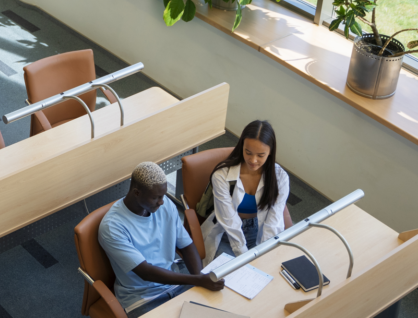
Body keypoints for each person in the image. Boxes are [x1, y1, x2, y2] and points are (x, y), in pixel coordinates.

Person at [99, 162, 225, 317]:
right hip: (143, 299)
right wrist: (197, 280)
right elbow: (145, 272)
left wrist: (199, 277)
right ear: (136, 193)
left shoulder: (164, 206)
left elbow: (186, 245)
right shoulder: (112, 227)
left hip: (176, 285)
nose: (161, 202)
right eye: (155, 197)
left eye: (163, 195)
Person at [201, 120, 290, 265]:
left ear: (270, 152)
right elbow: (230, 221)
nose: (253, 160)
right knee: (231, 272)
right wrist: (244, 257)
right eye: (248, 152)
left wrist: (264, 252)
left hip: (260, 230)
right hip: (227, 233)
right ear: (241, 146)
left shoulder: (280, 177)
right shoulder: (221, 175)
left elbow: (273, 221)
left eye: (260, 155)